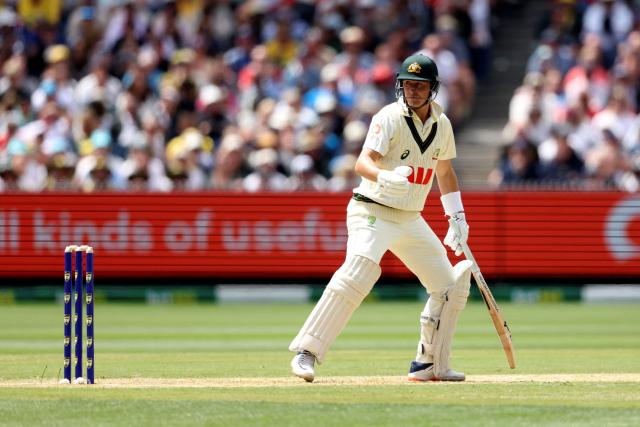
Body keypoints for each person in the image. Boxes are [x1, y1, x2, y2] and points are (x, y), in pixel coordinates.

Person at [289, 53, 473, 382]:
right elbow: (363, 163)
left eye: (420, 85)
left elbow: (444, 171)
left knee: (449, 287)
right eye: (407, 84)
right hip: (371, 209)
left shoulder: (442, 124)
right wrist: (385, 177)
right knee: (360, 269)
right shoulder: (389, 116)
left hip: (409, 218)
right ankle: (307, 352)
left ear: (432, 89)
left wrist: (456, 216)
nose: (413, 91)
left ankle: (428, 363)